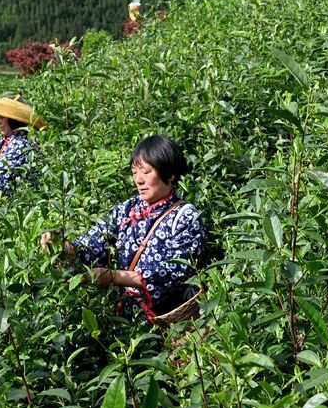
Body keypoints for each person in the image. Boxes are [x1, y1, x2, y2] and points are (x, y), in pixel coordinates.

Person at [40, 135, 207, 323]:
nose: (138, 180)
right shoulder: (126, 210)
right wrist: (62, 248)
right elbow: (89, 248)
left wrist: (116, 277)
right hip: (127, 321)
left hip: (172, 322)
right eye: (134, 172)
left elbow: (178, 270)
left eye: (146, 172)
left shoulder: (185, 216)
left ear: (170, 174)